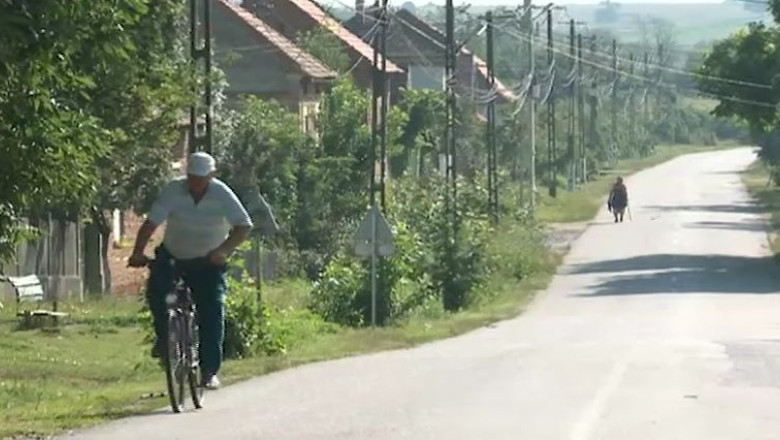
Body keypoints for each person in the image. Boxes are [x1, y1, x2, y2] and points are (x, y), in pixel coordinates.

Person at [128, 152, 253, 390]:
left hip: (207, 261)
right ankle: (166, 342)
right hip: (174, 256)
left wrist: (223, 251)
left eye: (201, 178)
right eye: (192, 178)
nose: (195, 184)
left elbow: (243, 225)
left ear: (211, 176)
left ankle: (209, 371)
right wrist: (137, 252)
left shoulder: (222, 194)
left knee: (212, 308)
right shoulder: (174, 190)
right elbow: (151, 223)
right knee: (158, 292)